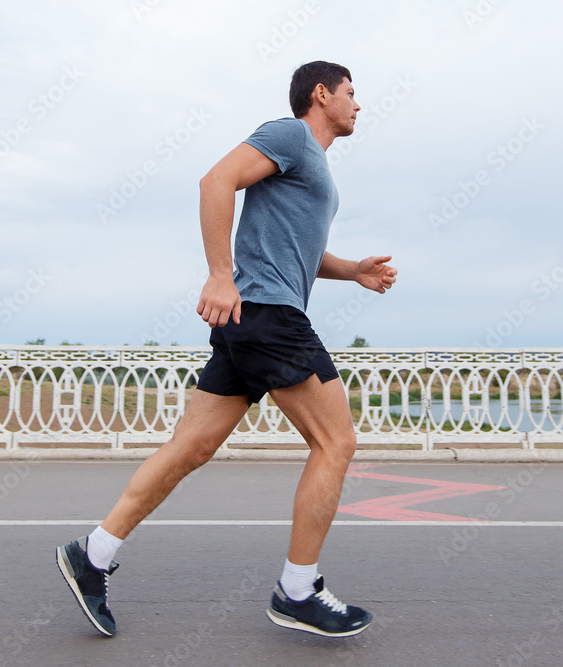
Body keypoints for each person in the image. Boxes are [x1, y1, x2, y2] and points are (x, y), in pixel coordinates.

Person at [56, 61, 396, 639]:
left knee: (190, 447)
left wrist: (353, 270)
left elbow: (300, 252)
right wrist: (220, 275)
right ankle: (297, 589)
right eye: (351, 93)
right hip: (268, 317)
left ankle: (94, 552)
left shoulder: (314, 165)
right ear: (321, 94)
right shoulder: (289, 135)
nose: (359, 105)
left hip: (255, 319)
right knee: (335, 441)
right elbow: (215, 181)